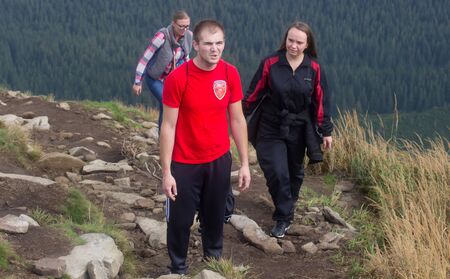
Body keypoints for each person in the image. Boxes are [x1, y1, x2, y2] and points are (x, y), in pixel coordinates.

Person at [160, 19, 251, 275]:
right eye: (208, 44)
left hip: (219, 159)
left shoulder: (229, 73)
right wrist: (166, 172)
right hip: (184, 163)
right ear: (196, 44)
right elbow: (167, 126)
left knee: (215, 217)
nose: (215, 49)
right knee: (180, 220)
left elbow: (237, 119)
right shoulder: (178, 78)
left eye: (219, 43)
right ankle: (178, 268)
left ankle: (213, 264)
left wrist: (244, 163)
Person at [243, 21, 333, 238]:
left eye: (299, 42)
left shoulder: (314, 68)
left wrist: (326, 130)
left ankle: (287, 205)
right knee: (276, 171)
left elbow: (321, 100)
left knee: (294, 173)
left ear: (307, 44)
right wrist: (237, 113)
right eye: (290, 40)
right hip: (270, 124)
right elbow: (254, 93)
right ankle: (283, 217)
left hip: (299, 127)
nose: (293, 45)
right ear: (285, 40)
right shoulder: (271, 62)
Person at [132, 10, 193, 130]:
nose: (184, 29)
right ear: (173, 24)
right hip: (155, 78)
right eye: (181, 26)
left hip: (173, 78)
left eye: (187, 26)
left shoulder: (188, 36)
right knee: (167, 103)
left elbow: (186, 58)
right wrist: (137, 82)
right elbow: (145, 58)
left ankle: (163, 138)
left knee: (167, 105)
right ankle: (165, 137)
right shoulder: (162, 37)